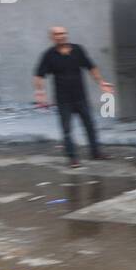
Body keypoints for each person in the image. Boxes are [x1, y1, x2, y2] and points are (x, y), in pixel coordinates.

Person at [33, 26, 113, 168]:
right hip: (63, 100)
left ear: (67, 34)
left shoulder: (78, 50)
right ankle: (72, 158)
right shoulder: (49, 55)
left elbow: (91, 67)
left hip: (80, 96)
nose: (60, 36)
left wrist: (101, 82)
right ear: (52, 37)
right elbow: (39, 75)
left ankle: (96, 152)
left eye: (63, 33)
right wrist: (40, 92)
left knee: (90, 126)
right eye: (56, 34)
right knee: (67, 129)